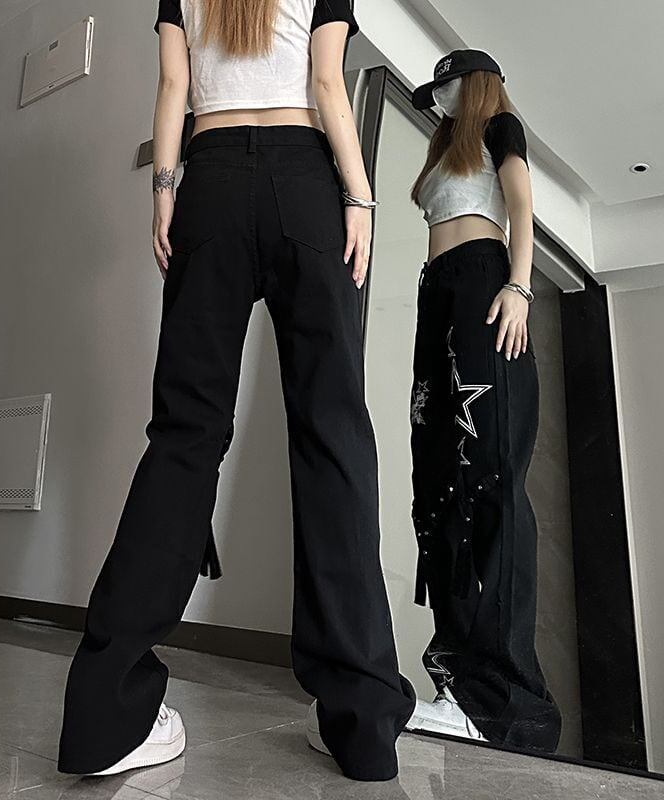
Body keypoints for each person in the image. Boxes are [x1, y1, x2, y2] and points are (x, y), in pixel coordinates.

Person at [56, 0, 416, 783]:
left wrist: (164, 191)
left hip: (209, 181)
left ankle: (108, 717)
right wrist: (360, 196)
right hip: (306, 180)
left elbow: (173, 86)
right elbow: (327, 82)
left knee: (184, 436)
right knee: (333, 436)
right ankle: (361, 724)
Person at [403, 49, 561, 752]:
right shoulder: (447, 149)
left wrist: (519, 287)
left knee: (491, 476)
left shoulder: (500, 126)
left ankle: (506, 704)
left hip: (484, 281)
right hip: (437, 291)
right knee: (437, 484)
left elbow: (521, 207)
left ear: (473, 84)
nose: (438, 100)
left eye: (447, 87)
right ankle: (458, 683)